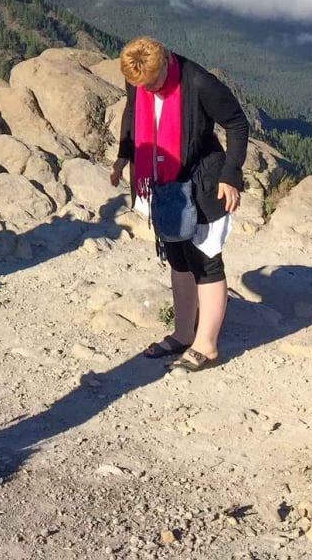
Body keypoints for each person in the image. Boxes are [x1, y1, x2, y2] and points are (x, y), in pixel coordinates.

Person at [110, 37, 249, 372]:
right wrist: (123, 156)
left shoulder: (198, 82)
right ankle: (184, 333)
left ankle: (207, 345)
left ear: (165, 65)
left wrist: (231, 175)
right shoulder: (140, 81)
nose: (148, 90)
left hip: (203, 182)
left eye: (153, 83)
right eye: (141, 86)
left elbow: (237, 123)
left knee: (205, 260)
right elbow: (132, 113)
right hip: (163, 182)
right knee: (178, 256)